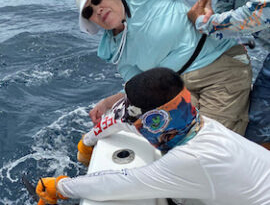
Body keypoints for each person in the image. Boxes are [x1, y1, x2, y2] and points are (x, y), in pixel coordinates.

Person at [35, 67, 270, 205]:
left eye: (140, 119)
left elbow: (120, 182)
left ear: (156, 121)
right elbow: (123, 121)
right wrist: (87, 143)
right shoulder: (202, 125)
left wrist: (61, 187)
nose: (135, 125)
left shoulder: (190, 159)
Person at [73, 0, 252, 136]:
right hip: (179, 89)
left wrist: (205, 1)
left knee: (212, 142)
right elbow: (141, 85)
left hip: (220, 69)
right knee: (179, 142)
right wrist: (107, 103)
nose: (97, 10)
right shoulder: (116, 51)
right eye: (89, 11)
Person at [187, 0, 270, 149]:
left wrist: (205, 23)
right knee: (256, 127)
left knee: (258, 129)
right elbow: (225, 14)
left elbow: (262, 12)